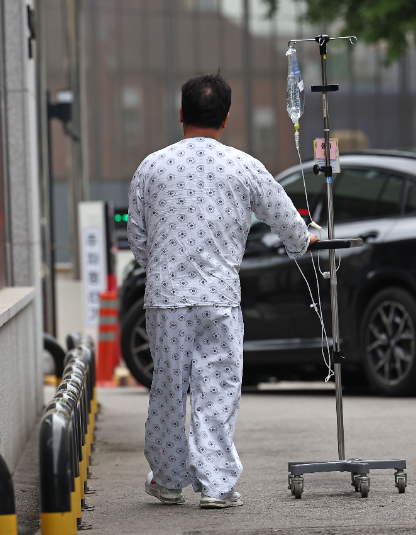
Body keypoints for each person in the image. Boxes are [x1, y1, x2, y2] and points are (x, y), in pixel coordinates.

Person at [127, 73, 318, 509]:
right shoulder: (244, 166)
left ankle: (168, 480)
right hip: (219, 296)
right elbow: (289, 222)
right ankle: (215, 484)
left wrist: (159, 266)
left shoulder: (151, 167)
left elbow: (138, 239)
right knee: (218, 387)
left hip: (166, 297)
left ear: (181, 114)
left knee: (169, 388)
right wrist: (305, 240)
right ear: (227, 118)